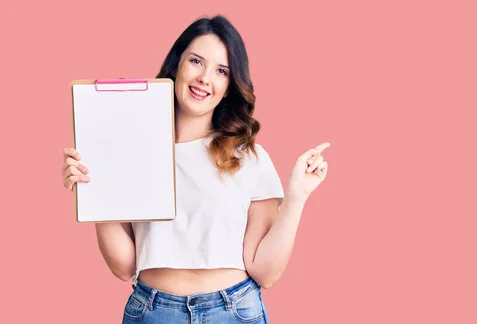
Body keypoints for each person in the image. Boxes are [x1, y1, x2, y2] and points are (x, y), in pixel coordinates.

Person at [61, 15, 329, 323]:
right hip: (153, 311)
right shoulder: (131, 151)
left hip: (234, 311)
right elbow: (123, 267)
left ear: (229, 87)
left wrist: (297, 195)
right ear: (177, 66)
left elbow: (265, 272)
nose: (204, 78)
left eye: (220, 71)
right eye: (196, 61)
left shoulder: (249, 157)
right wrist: (95, 188)